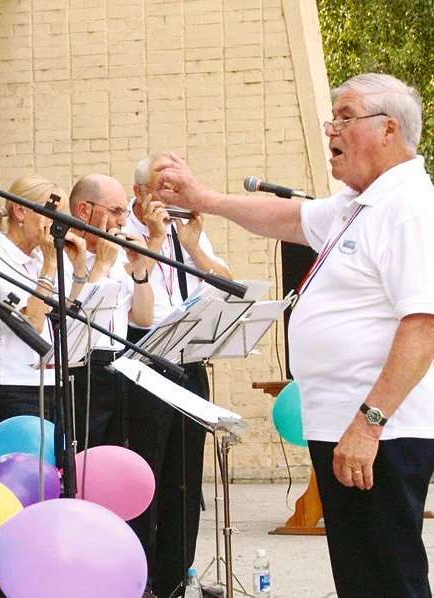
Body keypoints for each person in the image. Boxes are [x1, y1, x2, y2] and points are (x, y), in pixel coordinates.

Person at [154, 73, 434, 598]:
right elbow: (287, 217)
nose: (332, 129)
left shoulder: (410, 207)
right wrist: (204, 199)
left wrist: (368, 425)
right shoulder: (359, 205)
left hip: (379, 433)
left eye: (345, 117)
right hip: (344, 424)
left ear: (388, 129)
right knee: (362, 577)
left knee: (388, 578)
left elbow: (423, 326)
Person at [122, 153, 232, 598]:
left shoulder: (186, 236)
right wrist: (152, 238)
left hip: (188, 368)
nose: (171, 197)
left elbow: (229, 287)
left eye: (176, 188)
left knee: (186, 482)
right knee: (148, 478)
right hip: (142, 372)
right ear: (139, 193)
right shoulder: (121, 233)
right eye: (161, 188)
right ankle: (140, 580)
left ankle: (173, 582)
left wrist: (195, 248)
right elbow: (138, 318)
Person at [0, 174, 86, 429]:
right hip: (11, 383)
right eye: (50, 214)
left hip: (51, 379)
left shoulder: (42, 255)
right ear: (19, 211)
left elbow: (67, 313)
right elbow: (32, 322)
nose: (55, 225)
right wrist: (50, 266)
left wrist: (79, 269)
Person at [66, 174, 155, 451]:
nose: (122, 221)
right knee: (87, 453)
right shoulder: (65, 253)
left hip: (118, 363)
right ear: (84, 210)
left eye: (124, 212)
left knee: (117, 452)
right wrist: (101, 264)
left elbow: (143, 318)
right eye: (115, 211)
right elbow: (76, 317)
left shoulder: (116, 255)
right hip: (83, 367)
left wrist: (140, 270)